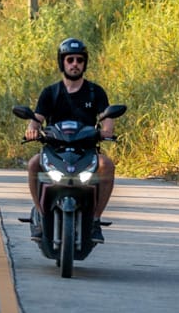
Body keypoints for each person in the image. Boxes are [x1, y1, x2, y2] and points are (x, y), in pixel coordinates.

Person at [25, 36, 115, 242]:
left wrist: (106, 130)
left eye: (79, 60)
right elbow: (36, 120)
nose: (75, 64)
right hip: (55, 151)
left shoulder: (95, 92)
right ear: (62, 62)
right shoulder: (50, 93)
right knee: (32, 164)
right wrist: (32, 130)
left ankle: (95, 220)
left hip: (86, 150)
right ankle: (39, 214)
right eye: (70, 59)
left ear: (85, 63)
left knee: (107, 164)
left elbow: (107, 118)